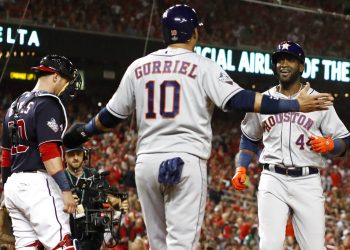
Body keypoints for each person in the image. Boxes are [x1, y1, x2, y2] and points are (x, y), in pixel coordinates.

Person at [62, 5, 333, 249]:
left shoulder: (139, 67)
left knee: (158, 243)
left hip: (145, 163)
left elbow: (110, 115)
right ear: (192, 33)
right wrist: (295, 105)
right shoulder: (203, 66)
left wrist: (83, 131)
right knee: (181, 244)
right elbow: (240, 99)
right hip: (184, 161)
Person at [231, 41, 350, 250]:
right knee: (269, 245)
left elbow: (345, 141)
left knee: (314, 247)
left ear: (301, 66)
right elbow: (248, 137)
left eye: (290, 59)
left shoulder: (318, 101)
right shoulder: (263, 100)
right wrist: (241, 166)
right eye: (279, 59)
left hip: (307, 181)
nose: (283, 64)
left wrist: (330, 144)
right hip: (272, 178)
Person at [0, 55, 82, 249]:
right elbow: (48, 151)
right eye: (66, 80)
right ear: (55, 76)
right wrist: (66, 190)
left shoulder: (14, 105)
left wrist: (6, 189)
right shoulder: (48, 103)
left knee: (27, 247)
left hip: (14, 186)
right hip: (38, 186)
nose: (67, 85)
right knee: (62, 244)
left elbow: (5, 155)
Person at [63, 145, 129, 250]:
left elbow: (108, 196)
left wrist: (119, 204)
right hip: (68, 231)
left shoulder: (93, 174)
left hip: (93, 234)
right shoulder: (60, 177)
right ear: (65, 157)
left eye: (78, 154)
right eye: (71, 154)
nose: (75, 157)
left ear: (84, 155)